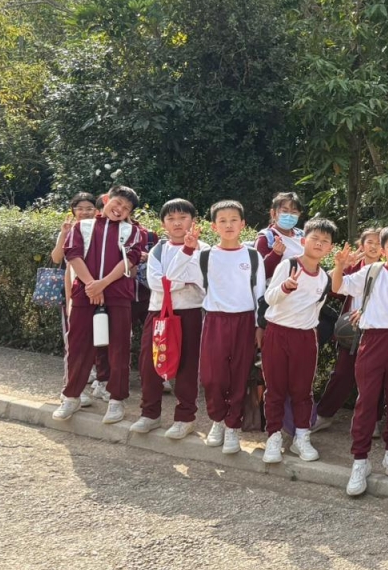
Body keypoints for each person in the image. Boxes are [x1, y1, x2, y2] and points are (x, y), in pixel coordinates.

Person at [167, 200, 263, 454]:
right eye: (222, 220)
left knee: (239, 375)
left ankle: (232, 426)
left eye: (234, 220)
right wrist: (187, 249)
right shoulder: (205, 256)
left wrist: (259, 326)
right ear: (214, 226)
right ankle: (217, 420)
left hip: (244, 321)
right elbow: (173, 275)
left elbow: (260, 293)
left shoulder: (252, 256)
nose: (228, 225)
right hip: (214, 320)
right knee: (212, 377)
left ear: (243, 224)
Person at [330, 226, 388, 495]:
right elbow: (338, 286)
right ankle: (360, 460)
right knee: (367, 400)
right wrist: (339, 266)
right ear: (382, 250)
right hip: (372, 340)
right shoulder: (372, 271)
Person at [52, 185, 148, 424]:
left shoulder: (134, 232)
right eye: (117, 203)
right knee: (78, 346)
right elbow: (72, 254)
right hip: (84, 293)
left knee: (119, 348)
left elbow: (130, 260)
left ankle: (116, 400)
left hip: (118, 294)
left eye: (126, 208)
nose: (120, 209)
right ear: (106, 200)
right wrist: (91, 284)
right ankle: (71, 396)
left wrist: (102, 284)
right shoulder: (81, 227)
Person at [260, 217, 337, 464]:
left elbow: (315, 311)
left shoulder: (324, 278)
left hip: (305, 337)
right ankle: (273, 436)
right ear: (304, 241)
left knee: (302, 391)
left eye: (325, 241)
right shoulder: (289, 265)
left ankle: (301, 437)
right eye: (315, 238)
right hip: (277, 333)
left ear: (330, 248)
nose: (319, 243)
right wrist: (285, 287)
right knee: (275, 389)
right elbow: (269, 298)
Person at [129, 199, 206, 439]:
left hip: (190, 311)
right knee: (150, 363)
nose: (177, 223)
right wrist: (183, 279)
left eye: (183, 218)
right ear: (163, 224)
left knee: (187, 366)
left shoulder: (204, 250)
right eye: (171, 219)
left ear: (193, 221)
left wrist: (172, 279)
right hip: (158, 312)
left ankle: (185, 418)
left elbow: (203, 283)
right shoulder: (158, 250)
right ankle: (149, 414)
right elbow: (156, 284)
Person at [313, 227, 384, 433]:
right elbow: (331, 288)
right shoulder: (353, 266)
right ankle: (324, 415)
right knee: (342, 374)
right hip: (351, 330)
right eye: (370, 242)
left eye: (379, 243)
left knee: (376, 377)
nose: (374, 246)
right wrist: (342, 267)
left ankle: (373, 420)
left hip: (378, 330)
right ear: (361, 245)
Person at [50, 193, 99, 406]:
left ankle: (90, 379)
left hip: (96, 291)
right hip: (73, 292)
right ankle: (68, 388)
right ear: (73, 211)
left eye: (89, 208)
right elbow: (56, 258)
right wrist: (63, 234)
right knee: (73, 342)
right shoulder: (69, 230)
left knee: (96, 339)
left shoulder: (101, 230)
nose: (85, 212)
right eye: (80, 208)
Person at [255, 191, 305, 281]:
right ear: (273, 213)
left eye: (294, 212)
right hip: (278, 288)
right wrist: (276, 254)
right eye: (285, 211)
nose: (289, 216)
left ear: (299, 215)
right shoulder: (266, 238)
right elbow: (259, 273)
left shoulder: (303, 236)